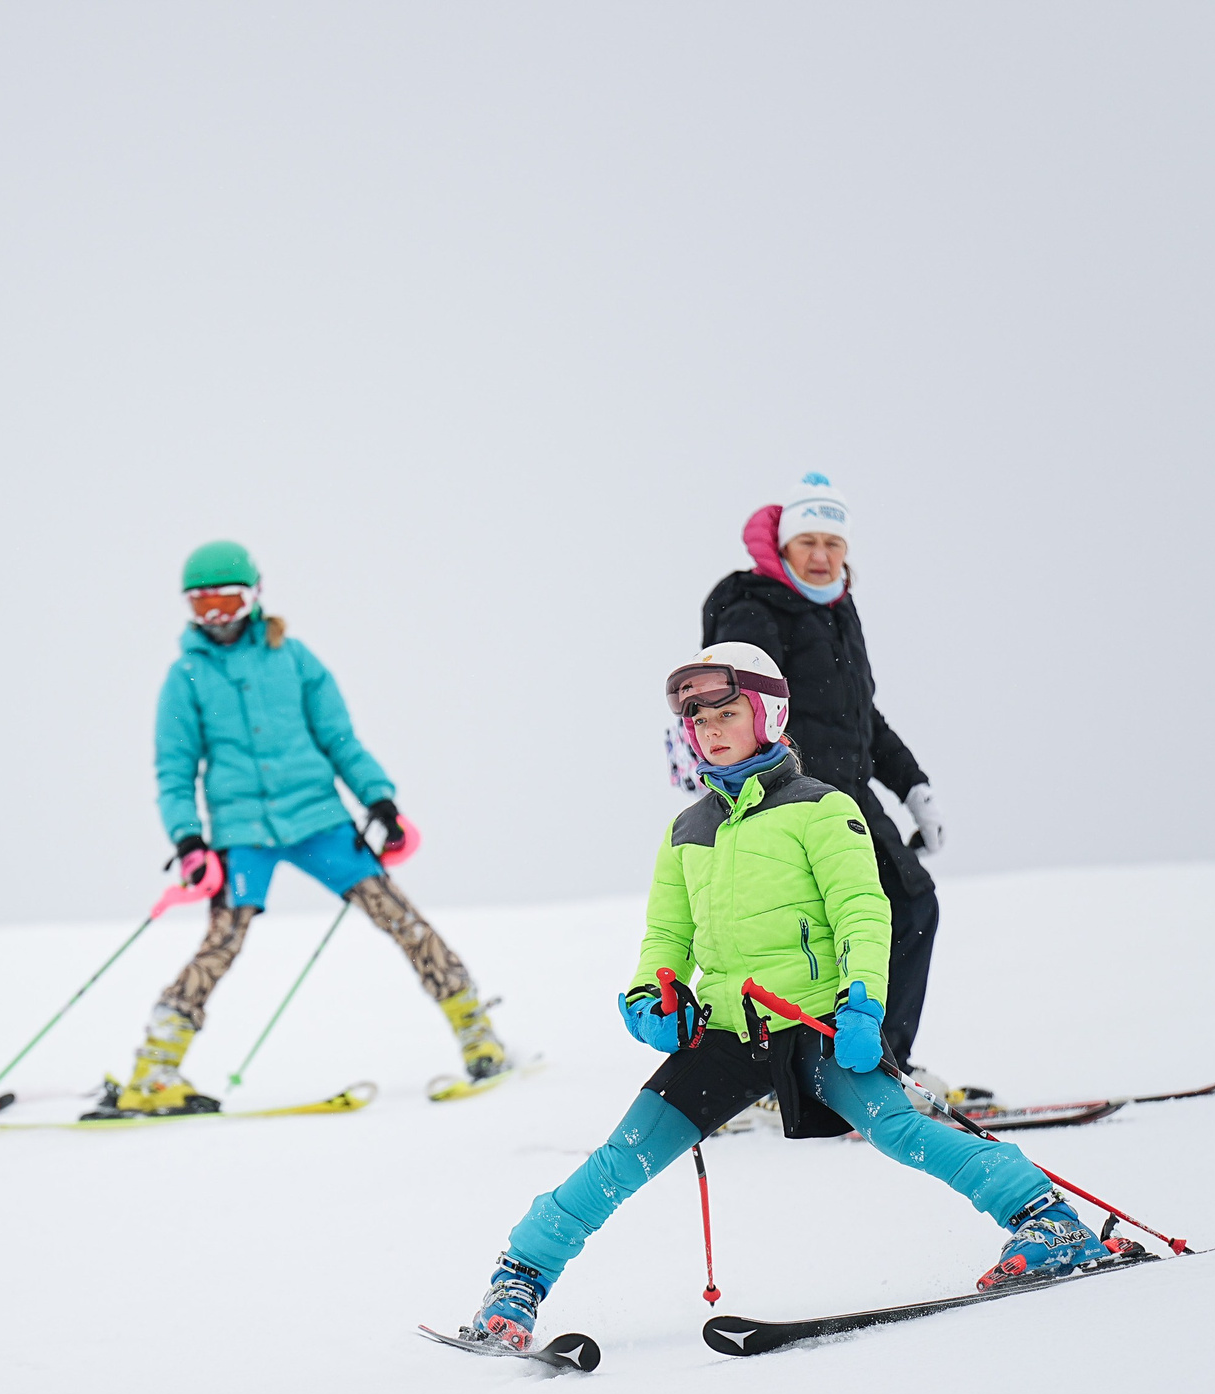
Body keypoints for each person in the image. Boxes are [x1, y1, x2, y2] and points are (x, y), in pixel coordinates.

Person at [461, 644, 1137, 1350]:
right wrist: (646, 998)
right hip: (723, 1033)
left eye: (729, 712)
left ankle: (1046, 1218)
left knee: (900, 1130)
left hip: (813, 1022)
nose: (713, 729)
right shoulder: (687, 831)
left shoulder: (820, 809)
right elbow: (667, 936)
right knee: (623, 1154)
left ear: (768, 715)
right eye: (700, 719)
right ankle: (519, 1278)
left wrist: (863, 1004)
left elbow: (862, 914)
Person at [103, 540, 509, 1115]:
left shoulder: (294, 658)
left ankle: (477, 1031)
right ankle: (153, 1069)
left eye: (226, 600)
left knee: (401, 919)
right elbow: (174, 769)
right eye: (202, 606)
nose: (215, 617)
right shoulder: (186, 676)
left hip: (318, 819)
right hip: (242, 832)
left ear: (254, 597)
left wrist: (379, 800)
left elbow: (339, 738)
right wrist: (189, 838)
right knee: (222, 942)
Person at [693, 474, 945, 1071]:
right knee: (797, 933)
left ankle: (875, 1064)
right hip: (786, 794)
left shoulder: (836, 609)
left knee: (910, 908)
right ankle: (770, 1074)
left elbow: (862, 716)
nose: (821, 555)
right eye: (808, 541)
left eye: (833, 544)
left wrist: (914, 788)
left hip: (849, 792)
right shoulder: (753, 607)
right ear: (782, 546)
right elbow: (736, 708)